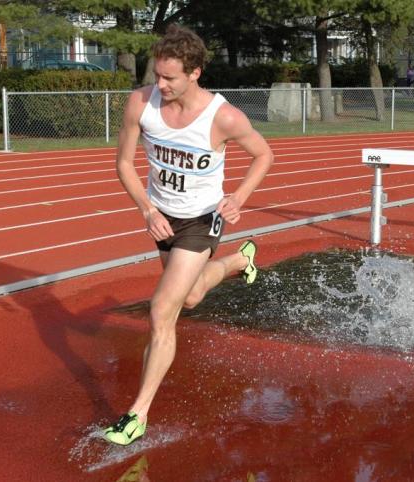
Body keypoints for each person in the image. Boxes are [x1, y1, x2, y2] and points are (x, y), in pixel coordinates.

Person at [106, 24, 274, 445]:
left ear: (195, 72)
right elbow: (124, 163)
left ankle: (136, 414)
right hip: (162, 217)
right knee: (193, 295)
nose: (159, 84)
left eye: (170, 78)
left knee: (163, 310)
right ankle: (239, 261)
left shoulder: (225, 117)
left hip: (202, 219)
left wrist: (237, 197)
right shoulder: (140, 104)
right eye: (157, 75)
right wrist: (146, 209)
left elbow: (263, 154)